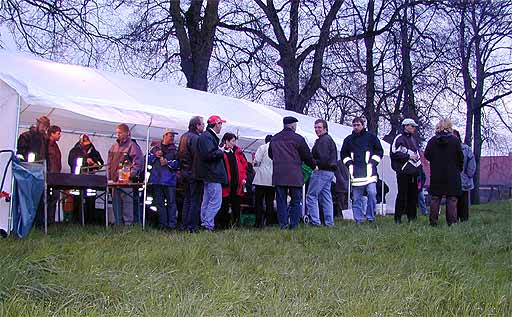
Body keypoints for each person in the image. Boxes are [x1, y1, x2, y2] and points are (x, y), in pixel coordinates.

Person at [269, 116, 316, 229]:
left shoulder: (274, 138)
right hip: (294, 175)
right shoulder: (298, 138)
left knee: (281, 202)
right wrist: (314, 166)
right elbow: (307, 155)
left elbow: (271, 154)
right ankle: (294, 225)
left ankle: (283, 225)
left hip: (279, 174)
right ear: (293, 125)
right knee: (296, 201)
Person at [340, 117, 383, 224]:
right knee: (356, 198)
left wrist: (373, 162)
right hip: (356, 174)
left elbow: (379, 151)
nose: (356, 127)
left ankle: (370, 217)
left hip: (370, 173)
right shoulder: (348, 140)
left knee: (372, 194)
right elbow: (344, 154)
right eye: (354, 125)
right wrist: (349, 164)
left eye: (358, 125)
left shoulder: (371, 137)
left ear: (363, 125)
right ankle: (359, 219)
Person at [424, 118, 463, 226]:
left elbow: (427, 154)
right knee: (452, 199)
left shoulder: (432, 140)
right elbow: (460, 156)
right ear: (450, 127)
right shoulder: (455, 140)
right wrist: (459, 168)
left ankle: (433, 222)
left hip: (437, 173)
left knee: (435, 198)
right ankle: (452, 223)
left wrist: (435, 161)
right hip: (452, 174)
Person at [107, 123, 144, 225]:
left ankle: (128, 225)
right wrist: (109, 178)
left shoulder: (132, 146)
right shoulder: (113, 147)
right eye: (117, 133)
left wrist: (130, 175)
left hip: (126, 181)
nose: (117, 135)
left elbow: (139, 162)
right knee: (116, 204)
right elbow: (109, 164)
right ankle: (118, 225)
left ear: (127, 133)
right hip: (114, 182)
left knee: (128, 204)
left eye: (120, 133)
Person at [197, 115, 228, 231]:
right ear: (216, 124)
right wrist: (220, 151)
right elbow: (209, 155)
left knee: (207, 201)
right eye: (220, 124)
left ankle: (205, 223)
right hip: (212, 174)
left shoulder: (207, 137)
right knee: (215, 202)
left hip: (209, 174)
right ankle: (208, 224)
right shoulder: (207, 137)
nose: (221, 127)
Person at [306, 119, 338, 227]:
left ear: (325, 128)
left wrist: (312, 163)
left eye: (319, 127)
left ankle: (315, 222)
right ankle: (329, 222)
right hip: (329, 172)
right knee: (326, 196)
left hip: (321, 170)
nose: (316, 130)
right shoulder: (327, 139)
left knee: (311, 196)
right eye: (315, 127)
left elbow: (323, 158)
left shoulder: (323, 141)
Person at [390, 118, 422, 224]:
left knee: (413, 196)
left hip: (414, 172)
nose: (414, 128)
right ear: (406, 126)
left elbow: (417, 154)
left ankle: (412, 217)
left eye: (414, 126)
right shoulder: (399, 138)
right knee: (402, 195)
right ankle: (398, 218)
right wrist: (408, 156)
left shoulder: (414, 139)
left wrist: (419, 168)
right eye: (412, 126)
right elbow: (394, 153)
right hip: (403, 172)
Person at [68, 134, 104, 223]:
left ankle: (90, 221)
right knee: (77, 200)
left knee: (91, 200)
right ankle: (76, 221)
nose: (86, 145)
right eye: (85, 142)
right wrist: (85, 160)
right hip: (77, 180)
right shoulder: (74, 151)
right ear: (80, 142)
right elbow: (71, 162)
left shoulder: (94, 152)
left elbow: (101, 163)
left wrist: (96, 164)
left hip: (91, 180)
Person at [178, 116, 205, 233]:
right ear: (197, 125)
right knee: (195, 200)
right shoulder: (196, 138)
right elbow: (197, 157)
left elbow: (179, 155)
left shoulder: (183, 137)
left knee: (187, 200)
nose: (204, 126)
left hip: (184, 172)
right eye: (202, 124)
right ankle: (192, 227)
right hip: (194, 173)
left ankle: (184, 225)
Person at [148, 129, 180, 230]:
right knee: (159, 203)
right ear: (165, 136)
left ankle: (172, 225)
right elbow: (146, 160)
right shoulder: (155, 148)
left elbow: (179, 164)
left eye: (173, 136)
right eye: (171, 136)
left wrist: (168, 163)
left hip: (169, 180)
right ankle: (163, 225)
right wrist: (154, 156)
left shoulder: (175, 150)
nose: (173, 138)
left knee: (171, 203)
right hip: (156, 180)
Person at [216, 133, 248, 228]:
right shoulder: (220, 152)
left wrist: (243, 177)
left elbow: (243, 165)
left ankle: (236, 223)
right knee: (224, 204)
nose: (234, 143)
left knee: (236, 204)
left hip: (236, 182)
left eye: (234, 141)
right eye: (232, 141)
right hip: (225, 183)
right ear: (226, 141)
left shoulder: (236, 152)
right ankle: (222, 224)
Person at [453, 129, 476, 222]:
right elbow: (471, 164)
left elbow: (471, 164)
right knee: (459, 201)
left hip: (458, 179)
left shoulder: (466, 149)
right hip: (461, 179)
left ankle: (460, 219)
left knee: (459, 201)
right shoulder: (466, 149)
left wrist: (468, 175)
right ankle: (461, 219)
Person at [253, 135, 275, 228]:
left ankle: (258, 223)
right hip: (272, 179)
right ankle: (269, 222)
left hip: (261, 179)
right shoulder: (277, 149)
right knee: (270, 202)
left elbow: (256, 161)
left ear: (265, 141)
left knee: (259, 202)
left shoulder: (262, 147)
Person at [46, 125, 62, 224]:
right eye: (58, 133)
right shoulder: (46, 145)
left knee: (55, 197)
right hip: (48, 175)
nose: (60, 136)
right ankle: (45, 221)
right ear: (52, 133)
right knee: (47, 198)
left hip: (56, 176)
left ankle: (50, 221)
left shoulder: (56, 145)